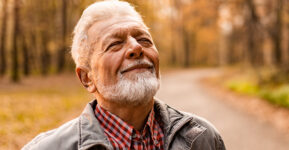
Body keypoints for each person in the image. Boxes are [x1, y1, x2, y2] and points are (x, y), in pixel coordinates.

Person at [22, 0, 225, 150]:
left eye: (144, 39)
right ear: (86, 78)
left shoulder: (203, 139)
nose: (136, 48)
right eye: (114, 44)